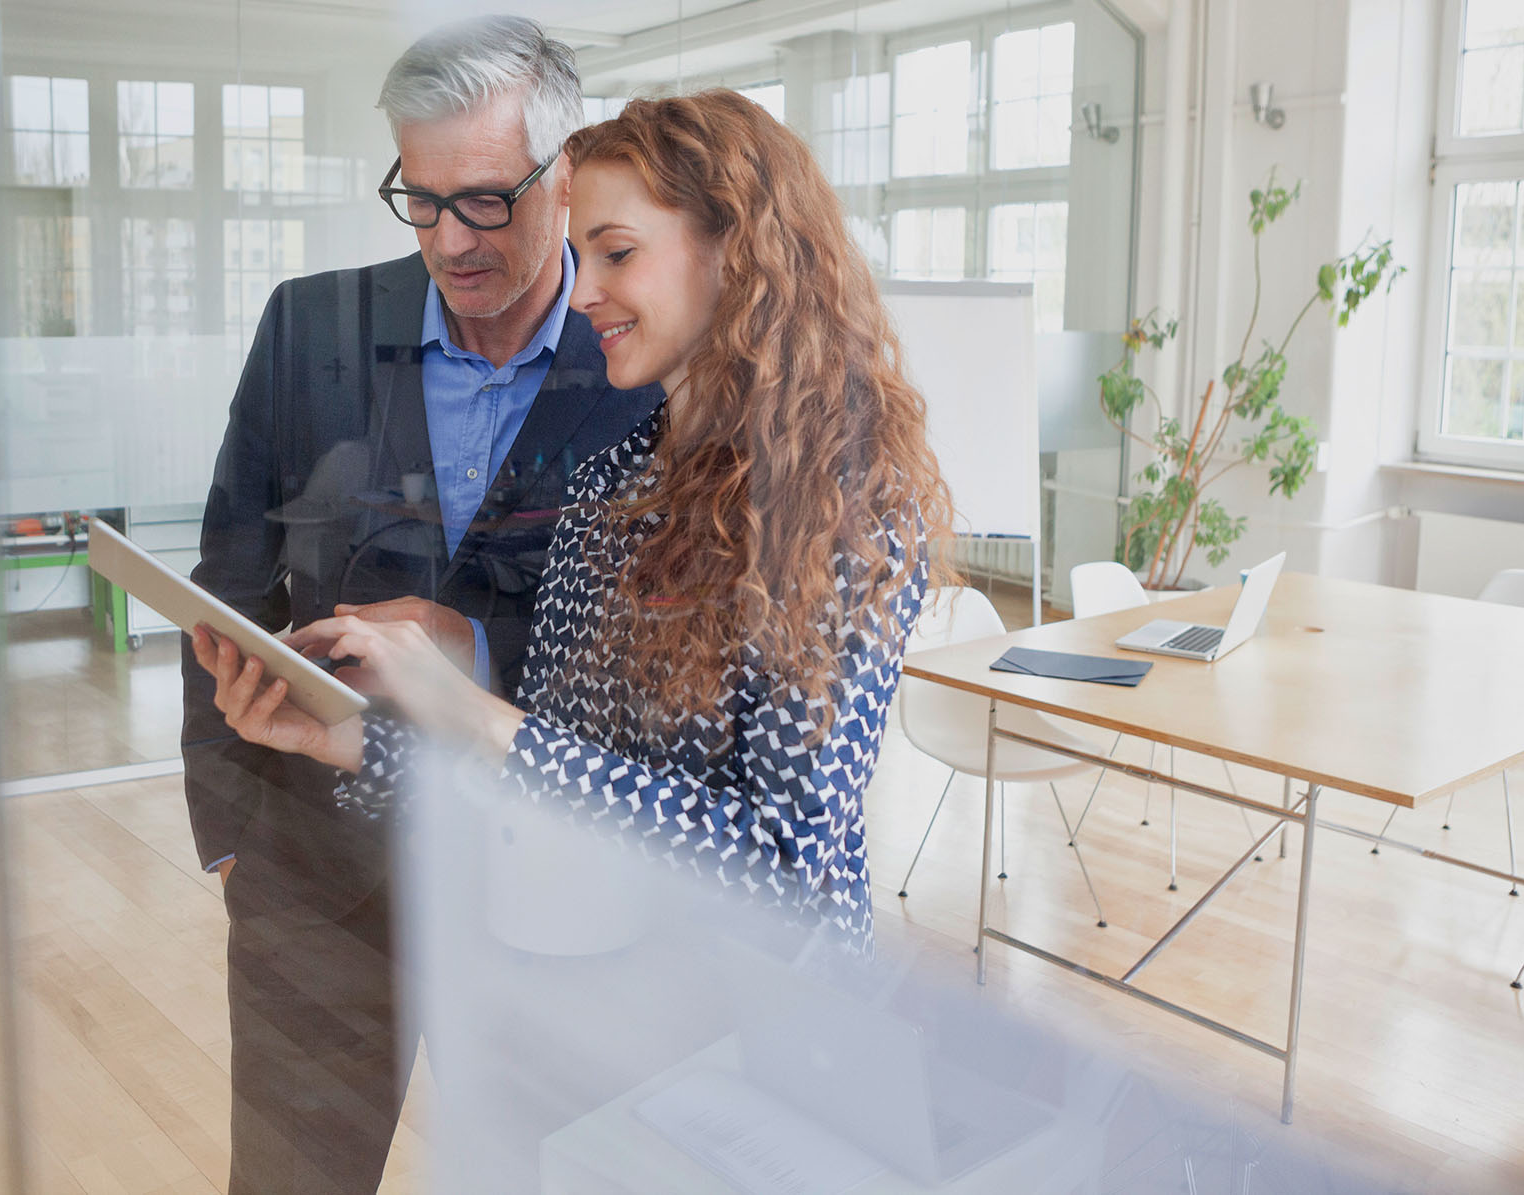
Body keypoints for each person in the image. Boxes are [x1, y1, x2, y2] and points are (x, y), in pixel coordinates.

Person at [192, 88, 954, 950]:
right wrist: (344, 738)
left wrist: (481, 716)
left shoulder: (845, 510)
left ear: (736, 254)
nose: (583, 291)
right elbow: (544, 779)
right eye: (580, 253)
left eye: (617, 253)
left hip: (738, 1023)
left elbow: (780, 865)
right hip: (575, 984)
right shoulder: (612, 480)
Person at [180, 16, 660, 1195]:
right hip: (315, 873)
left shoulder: (647, 362)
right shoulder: (310, 328)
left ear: (569, 173)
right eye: (422, 196)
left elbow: (662, 658)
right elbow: (230, 576)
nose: (452, 239)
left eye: (488, 200)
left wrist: (479, 648)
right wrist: (233, 833)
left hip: (547, 888)